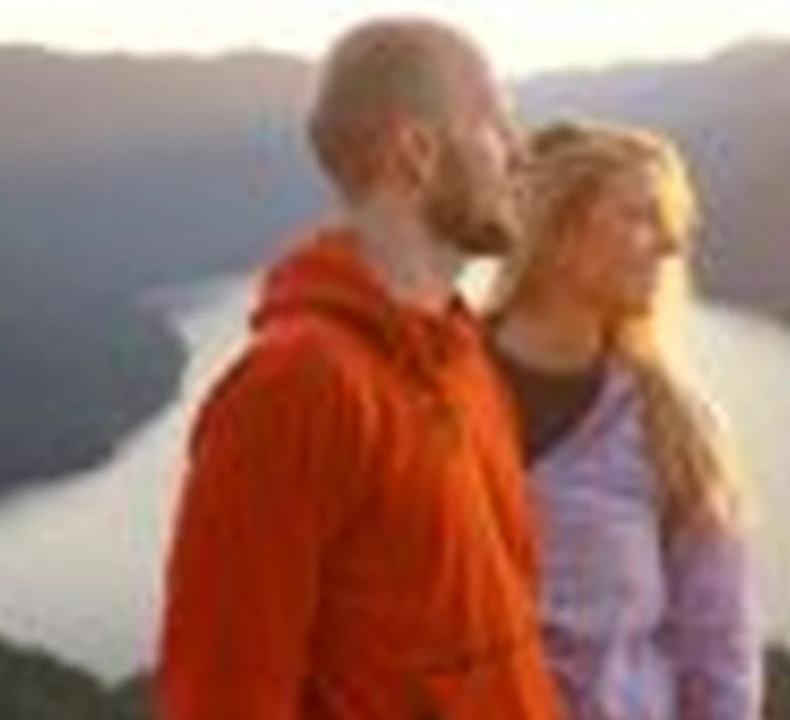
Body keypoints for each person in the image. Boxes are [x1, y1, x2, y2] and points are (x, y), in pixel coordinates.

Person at [156, 18, 565, 720]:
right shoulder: (296, 386)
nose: (524, 156)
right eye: (500, 126)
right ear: (419, 151)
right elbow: (224, 697)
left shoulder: (465, 362)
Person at [486, 120, 762, 720]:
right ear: (556, 229)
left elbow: (720, 658)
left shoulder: (678, 428)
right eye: (639, 216)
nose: (668, 245)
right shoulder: (421, 396)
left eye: (668, 221)